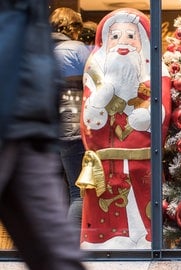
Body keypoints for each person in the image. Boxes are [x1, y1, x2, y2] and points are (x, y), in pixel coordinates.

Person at [0, 0, 86, 269]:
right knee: (75, 194)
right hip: (38, 121)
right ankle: (79, 240)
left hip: (30, 121)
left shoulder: (45, 40)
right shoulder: (76, 49)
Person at [78, 8, 171, 249]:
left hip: (143, 159)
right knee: (106, 212)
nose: (123, 43)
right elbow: (89, 121)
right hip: (107, 161)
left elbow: (163, 108)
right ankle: (106, 244)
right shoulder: (95, 73)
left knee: (144, 205)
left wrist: (150, 115)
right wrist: (99, 101)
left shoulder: (155, 71)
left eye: (131, 36)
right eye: (116, 36)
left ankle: (147, 244)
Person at [50, 7, 91, 237]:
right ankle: (68, 245)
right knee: (78, 192)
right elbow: (95, 84)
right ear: (73, 27)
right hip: (72, 128)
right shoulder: (77, 50)